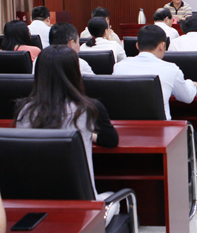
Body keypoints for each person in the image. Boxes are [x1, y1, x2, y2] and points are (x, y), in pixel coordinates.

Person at [14, 45, 119, 224]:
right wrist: (90, 135)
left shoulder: (24, 111)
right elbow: (111, 140)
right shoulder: (88, 108)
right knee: (114, 198)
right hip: (85, 215)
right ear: (74, 73)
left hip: (33, 213)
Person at [113, 25, 197, 120]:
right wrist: (190, 83)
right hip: (161, 128)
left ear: (137, 45)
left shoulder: (118, 67)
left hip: (125, 127)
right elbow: (187, 97)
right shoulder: (171, 69)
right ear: (162, 46)